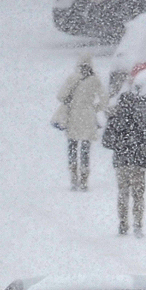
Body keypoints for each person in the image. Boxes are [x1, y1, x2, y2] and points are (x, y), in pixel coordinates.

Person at [101, 92, 146, 237]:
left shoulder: (115, 119)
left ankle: (123, 224)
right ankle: (138, 224)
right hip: (138, 162)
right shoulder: (140, 119)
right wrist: (139, 148)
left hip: (121, 161)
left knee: (123, 193)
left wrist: (120, 146)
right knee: (138, 194)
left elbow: (106, 141)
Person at [56, 55, 106, 191]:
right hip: (88, 116)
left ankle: (73, 178)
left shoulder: (73, 78)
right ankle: (84, 179)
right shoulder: (95, 80)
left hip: (73, 116)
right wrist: (94, 108)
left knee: (72, 146)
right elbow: (104, 99)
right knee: (85, 148)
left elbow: (61, 96)